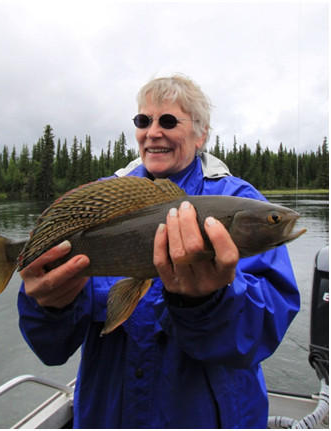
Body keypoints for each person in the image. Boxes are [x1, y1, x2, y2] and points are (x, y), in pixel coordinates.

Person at [17, 74, 300, 428]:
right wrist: (48, 305)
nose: (153, 132)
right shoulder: (101, 202)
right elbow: (51, 348)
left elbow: (262, 331)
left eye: (168, 121)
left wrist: (208, 303)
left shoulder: (243, 201)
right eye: (143, 121)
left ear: (201, 135)